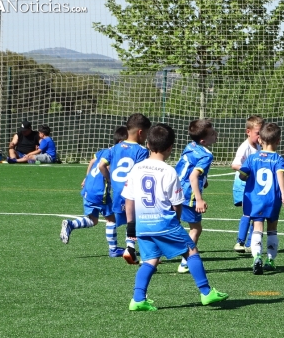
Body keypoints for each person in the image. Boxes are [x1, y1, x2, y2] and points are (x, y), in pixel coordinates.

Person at [122, 123, 229, 311]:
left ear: (147, 144)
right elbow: (177, 203)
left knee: (150, 261)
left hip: (142, 225)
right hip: (164, 222)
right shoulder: (169, 171)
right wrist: (177, 221)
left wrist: (131, 226)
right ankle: (206, 293)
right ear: (171, 147)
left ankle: (138, 299)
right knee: (191, 251)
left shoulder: (136, 169)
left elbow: (129, 201)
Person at [60, 126, 128, 256]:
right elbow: (105, 166)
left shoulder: (104, 151)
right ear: (121, 142)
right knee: (111, 219)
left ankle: (71, 224)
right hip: (99, 191)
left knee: (93, 220)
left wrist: (86, 177)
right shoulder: (116, 153)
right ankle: (113, 249)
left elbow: (92, 161)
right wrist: (109, 179)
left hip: (88, 187)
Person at [98, 113, 151, 263]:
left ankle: (114, 248)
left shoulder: (114, 148)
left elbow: (102, 165)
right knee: (135, 221)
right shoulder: (141, 151)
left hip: (117, 192)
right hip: (132, 193)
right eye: (146, 133)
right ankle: (132, 248)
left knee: (113, 221)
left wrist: (110, 179)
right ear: (141, 132)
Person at [238, 122, 284, 274]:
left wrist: (245, 175)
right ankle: (271, 260)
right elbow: (280, 175)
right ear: (278, 141)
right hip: (273, 200)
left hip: (255, 200)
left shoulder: (253, 158)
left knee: (257, 228)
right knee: (272, 229)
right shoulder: (278, 159)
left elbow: (242, 175)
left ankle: (257, 256)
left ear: (260, 140)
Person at [174, 119, 218, 273]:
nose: (216, 134)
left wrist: (204, 180)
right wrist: (199, 199)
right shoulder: (206, 155)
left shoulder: (189, 146)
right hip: (188, 193)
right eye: (212, 133)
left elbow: (188, 168)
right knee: (196, 228)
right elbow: (193, 176)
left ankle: (152, 257)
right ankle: (185, 262)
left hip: (174, 189)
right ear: (203, 140)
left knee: (171, 224)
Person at [231, 115, 264, 252]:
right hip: (242, 185)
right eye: (257, 133)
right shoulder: (244, 147)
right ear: (248, 132)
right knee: (249, 213)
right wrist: (249, 171)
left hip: (253, 185)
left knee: (255, 213)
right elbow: (235, 165)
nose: (260, 136)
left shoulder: (258, 147)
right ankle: (240, 242)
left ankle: (250, 244)